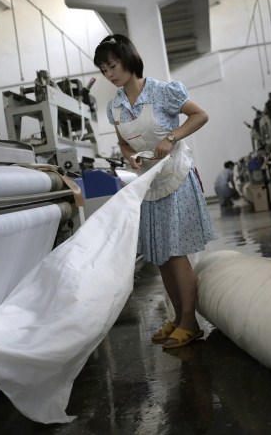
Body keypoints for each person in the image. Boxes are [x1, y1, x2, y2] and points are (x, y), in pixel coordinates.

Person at [93, 34, 217, 349]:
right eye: (104, 69)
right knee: (162, 257)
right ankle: (177, 318)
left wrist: (172, 138)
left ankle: (190, 322)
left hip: (175, 178)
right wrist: (128, 156)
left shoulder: (162, 92)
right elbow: (123, 140)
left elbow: (200, 115)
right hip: (149, 182)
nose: (110, 74)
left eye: (113, 65)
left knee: (176, 254)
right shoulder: (116, 106)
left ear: (128, 59)